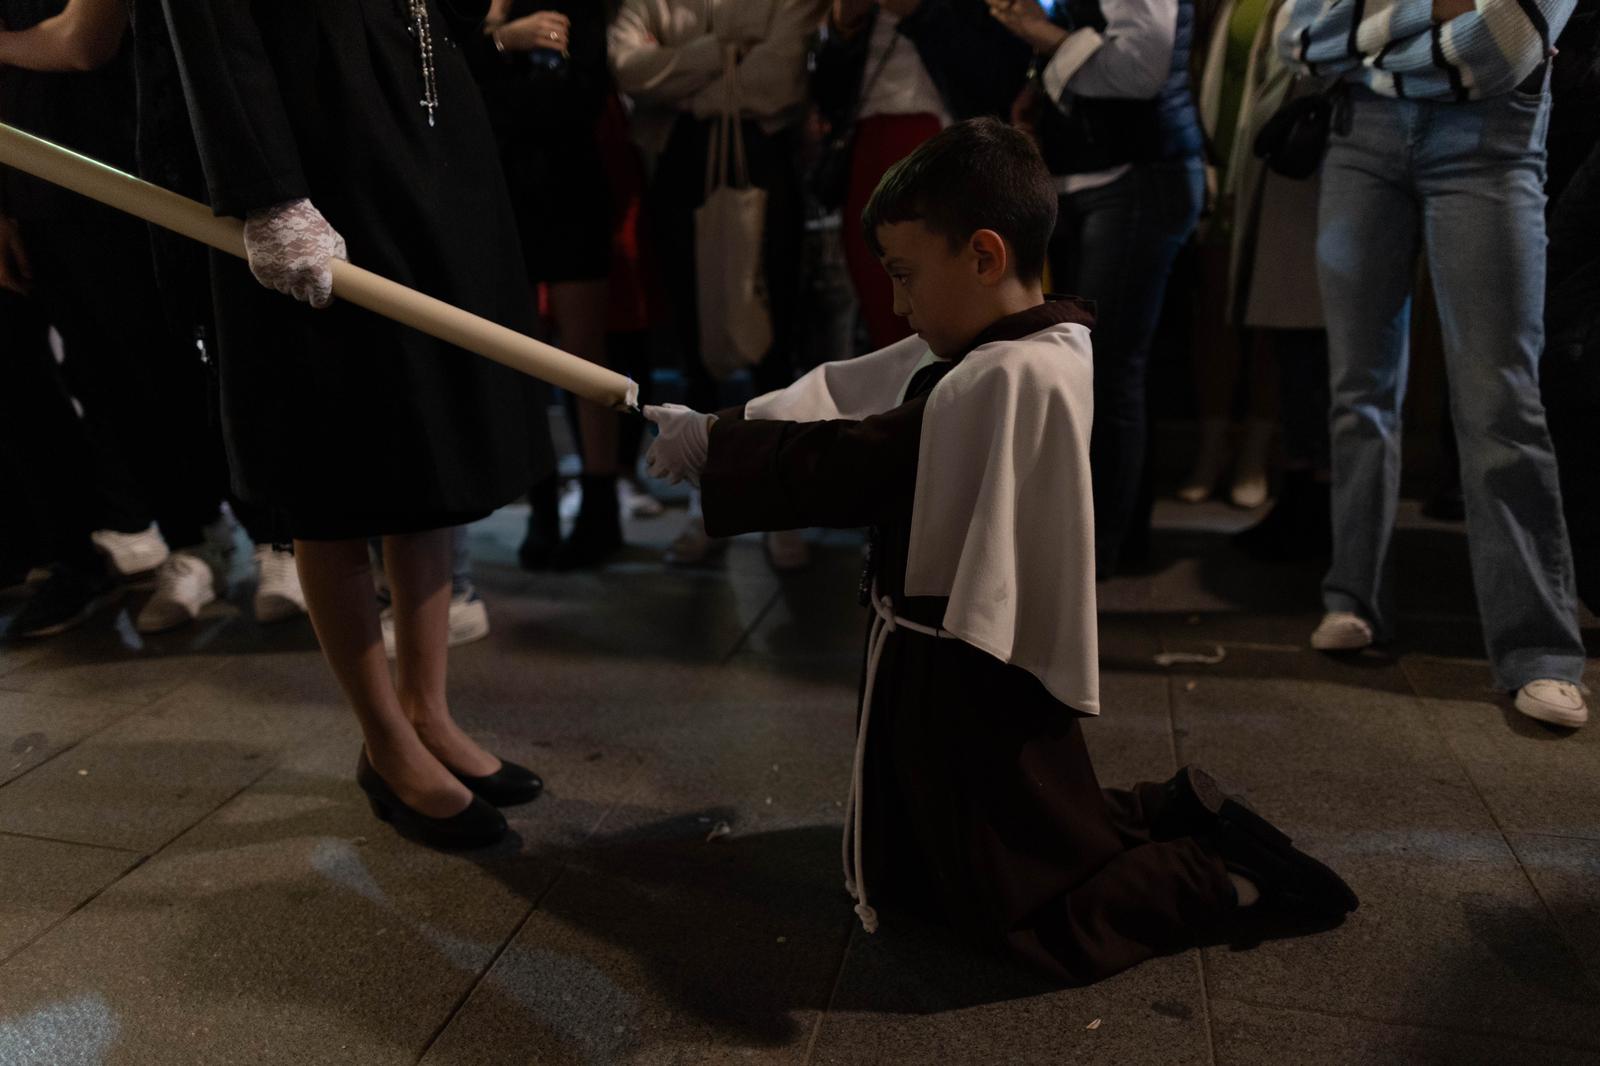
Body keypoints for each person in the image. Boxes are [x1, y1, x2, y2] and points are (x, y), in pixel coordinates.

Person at [642, 119, 1356, 982]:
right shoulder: (1021, 338)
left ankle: (1221, 879)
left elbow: (863, 455)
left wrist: (716, 454)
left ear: (983, 256)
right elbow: (852, 388)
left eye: (905, 276)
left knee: (1025, 917)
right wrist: (722, 427)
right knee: (1008, 839)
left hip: (970, 679)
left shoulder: (1009, 374)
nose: (899, 305)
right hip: (945, 666)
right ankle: (1175, 815)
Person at [161, 0, 552, 846]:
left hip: (418, 135)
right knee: (331, 456)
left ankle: (427, 711)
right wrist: (267, 192)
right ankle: (386, 739)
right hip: (316, 139)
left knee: (431, 440)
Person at [1278, 0, 1590, 729]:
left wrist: (1366, 30)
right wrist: (1440, 11)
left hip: (1490, 142)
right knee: (1359, 390)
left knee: (1499, 404)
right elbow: (1296, 38)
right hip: (1362, 137)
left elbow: (1504, 46)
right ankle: (1353, 597)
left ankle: (1540, 654)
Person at [0, 0, 308, 634]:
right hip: (40, 182)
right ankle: (195, 539)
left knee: (203, 358)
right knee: (110, 375)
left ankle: (281, 539)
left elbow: (87, 44)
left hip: (144, 157)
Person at [991, 0, 1206, 578]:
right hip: (1091, 175)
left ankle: (1099, 550)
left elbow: (1141, 66)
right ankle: (1110, 539)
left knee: (1106, 368)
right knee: (1095, 367)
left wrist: (1047, 38)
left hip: (1136, 174)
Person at [609, 0, 827, 566]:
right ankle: (705, 508)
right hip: (682, 163)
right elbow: (626, 66)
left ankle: (781, 507)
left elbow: (777, 81)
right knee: (693, 346)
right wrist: (726, 55)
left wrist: (678, 71)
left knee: (775, 343)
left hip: (764, 161)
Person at [466, 0, 628, 570]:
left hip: (567, 187)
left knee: (584, 355)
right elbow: (452, 96)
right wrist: (502, 43)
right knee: (517, 354)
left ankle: (601, 502)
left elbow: (581, 96)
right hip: (495, 192)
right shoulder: (465, 12)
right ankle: (541, 500)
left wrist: (494, 86)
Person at [812, 0, 1031, 350]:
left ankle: (952, 397)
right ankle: (905, 400)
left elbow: (999, 76)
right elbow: (825, 94)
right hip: (868, 150)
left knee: (949, 295)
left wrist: (918, 13)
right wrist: (843, 28)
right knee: (881, 296)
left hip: (948, 146)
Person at [1196, 0, 1330, 558]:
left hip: (1315, 175)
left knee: (1308, 348)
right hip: (1266, 173)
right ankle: (1299, 500)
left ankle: (1315, 506)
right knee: (1288, 341)